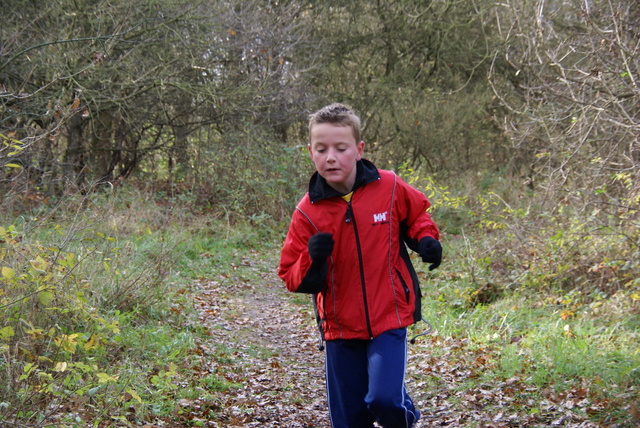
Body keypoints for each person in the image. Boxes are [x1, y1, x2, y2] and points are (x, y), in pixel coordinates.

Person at [278, 103, 442, 428]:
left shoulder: (389, 186)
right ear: (310, 151)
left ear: (359, 149)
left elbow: (417, 217)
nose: (331, 157)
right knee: (351, 419)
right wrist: (313, 255)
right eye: (322, 149)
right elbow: (290, 274)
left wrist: (426, 240)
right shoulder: (307, 212)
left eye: (341, 148)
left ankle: (405, 418)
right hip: (340, 327)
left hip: (389, 315)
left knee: (384, 399)